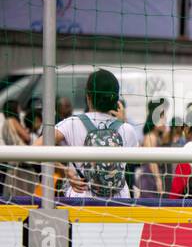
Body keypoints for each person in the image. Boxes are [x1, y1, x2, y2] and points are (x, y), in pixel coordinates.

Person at [38, 69, 143, 198]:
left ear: (88, 96)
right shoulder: (127, 130)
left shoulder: (71, 124)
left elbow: (35, 148)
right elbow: (137, 163)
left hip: (82, 200)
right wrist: (123, 121)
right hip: (118, 203)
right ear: (116, 99)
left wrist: (64, 170)